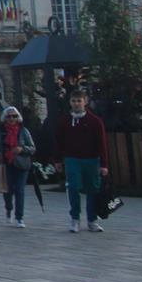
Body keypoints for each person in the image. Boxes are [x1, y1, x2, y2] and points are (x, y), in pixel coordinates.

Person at [54, 90, 110, 233]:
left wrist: (104, 164)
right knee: (73, 187)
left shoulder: (95, 121)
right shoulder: (64, 121)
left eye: (79, 101)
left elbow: (102, 143)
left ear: (85, 102)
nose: (76, 104)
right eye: (74, 101)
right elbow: (59, 142)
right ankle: (75, 219)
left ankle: (92, 220)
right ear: (70, 102)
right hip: (72, 159)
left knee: (93, 189)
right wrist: (57, 160)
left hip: (91, 159)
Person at [0, 105, 36, 228]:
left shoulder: (23, 131)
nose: (12, 119)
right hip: (6, 163)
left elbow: (32, 148)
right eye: (9, 116)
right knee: (7, 190)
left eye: (14, 116)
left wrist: (22, 149)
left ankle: (19, 217)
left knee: (20, 190)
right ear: (5, 118)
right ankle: (8, 209)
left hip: (21, 164)